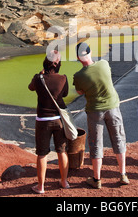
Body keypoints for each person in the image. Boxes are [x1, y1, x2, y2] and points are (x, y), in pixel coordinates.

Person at [73, 42, 129, 188]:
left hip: (94, 111)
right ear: (90, 53)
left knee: (96, 143)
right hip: (113, 107)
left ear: (78, 58)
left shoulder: (78, 76)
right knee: (118, 138)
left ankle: (97, 179)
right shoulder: (104, 64)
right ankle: (123, 174)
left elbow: (80, 92)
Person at [28, 51, 69, 194]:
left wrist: (41, 74)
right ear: (58, 64)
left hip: (43, 120)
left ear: (46, 62)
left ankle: (41, 186)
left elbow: (30, 87)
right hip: (58, 120)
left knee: (42, 154)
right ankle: (64, 182)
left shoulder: (38, 78)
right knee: (62, 151)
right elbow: (64, 94)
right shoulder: (63, 78)